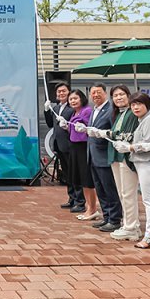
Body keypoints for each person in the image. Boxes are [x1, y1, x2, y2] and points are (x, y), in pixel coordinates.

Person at [114, 93, 150, 250]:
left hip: (146, 163)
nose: (135, 107)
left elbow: (148, 143)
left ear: (147, 105)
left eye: (139, 104)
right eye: (133, 105)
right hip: (140, 163)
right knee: (149, 200)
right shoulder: (141, 119)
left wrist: (129, 147)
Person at [83, 83, 123, 232]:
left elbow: (115, 132)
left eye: (98, 92)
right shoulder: (94, 110)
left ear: (105, 93)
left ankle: (115, 219)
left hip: (105, 156)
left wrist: (101, 133)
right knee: (100, 189)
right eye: (93, 93)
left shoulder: (111, 110)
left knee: (109, 189)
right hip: (93, 156)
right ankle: (107, 217)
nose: (95, 95)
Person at [106, 85, 141, 240]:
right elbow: (116, 133)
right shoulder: (119, 114)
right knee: (122, 193)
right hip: (116, 156)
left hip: (127, 157)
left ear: (128, 95)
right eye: (115, 95)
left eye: (121, 94)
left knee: (128, 193)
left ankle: (132, 227)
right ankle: (128, 224)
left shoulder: (133, 113)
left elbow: (128, 134)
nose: (118, 98)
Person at [43, 83, 80, 209]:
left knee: (74, 173)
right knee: (67, 174)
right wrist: (47, 110)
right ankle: (71, 198)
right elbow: (50, 124)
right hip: (59, 145)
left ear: (69, 92)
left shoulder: (73, 108)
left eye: (64, 91)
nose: (61, 93)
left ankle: (79, 200)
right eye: (59, 91)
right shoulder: (56, 108)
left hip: (70, 145)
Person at [66, 90, 98, 220]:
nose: (73, 101)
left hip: (83, 147)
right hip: (74, 147)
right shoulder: (74, 112)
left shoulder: (87, 111)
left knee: (87, 180)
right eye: (71, 99)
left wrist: (78, 123)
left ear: (82, 98)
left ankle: (93, 208)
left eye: (75, 98)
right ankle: (89, 207)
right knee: (80, 179)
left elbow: (87, 126)